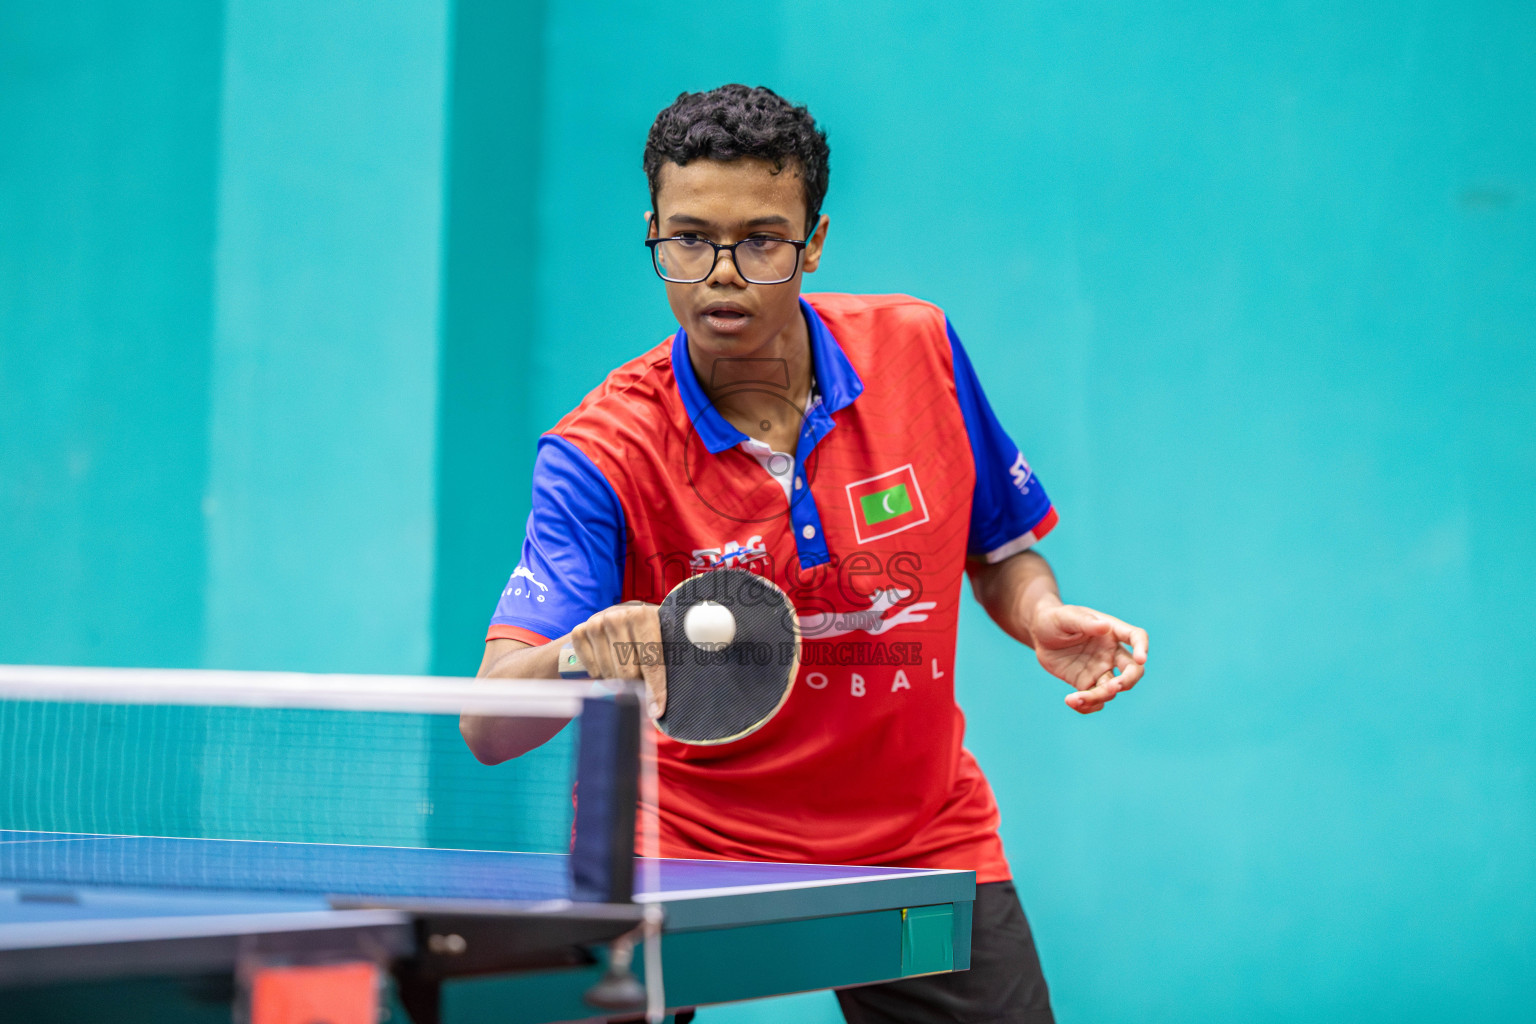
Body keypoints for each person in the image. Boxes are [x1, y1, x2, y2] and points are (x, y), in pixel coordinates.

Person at [461, 84, 1149, 1024]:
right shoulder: (601, 452)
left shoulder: (919, 350)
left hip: (916, 838)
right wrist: (580, 655)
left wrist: (1039, 614)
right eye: (690, 238)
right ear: (654, 233)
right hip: (679, 845)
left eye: (762, 241)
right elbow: (488, 727)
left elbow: (1000, 549)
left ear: (813, 242)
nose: (722, 275)